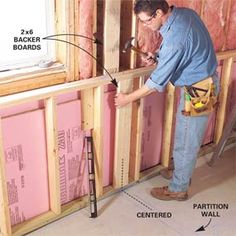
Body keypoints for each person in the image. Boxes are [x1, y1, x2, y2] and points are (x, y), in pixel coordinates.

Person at [115, 0, 219, 201]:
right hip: (201, 81)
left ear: (159, 13)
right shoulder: (184, 15)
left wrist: (127, 98)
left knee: (187, 139)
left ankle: (179, 188)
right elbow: (182, 49)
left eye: (146, 22)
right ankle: (181, 173)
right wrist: (159, 56)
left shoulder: (175, 40)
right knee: (183, 134)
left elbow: (155, 83)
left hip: (200, 90)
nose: (145, 26)